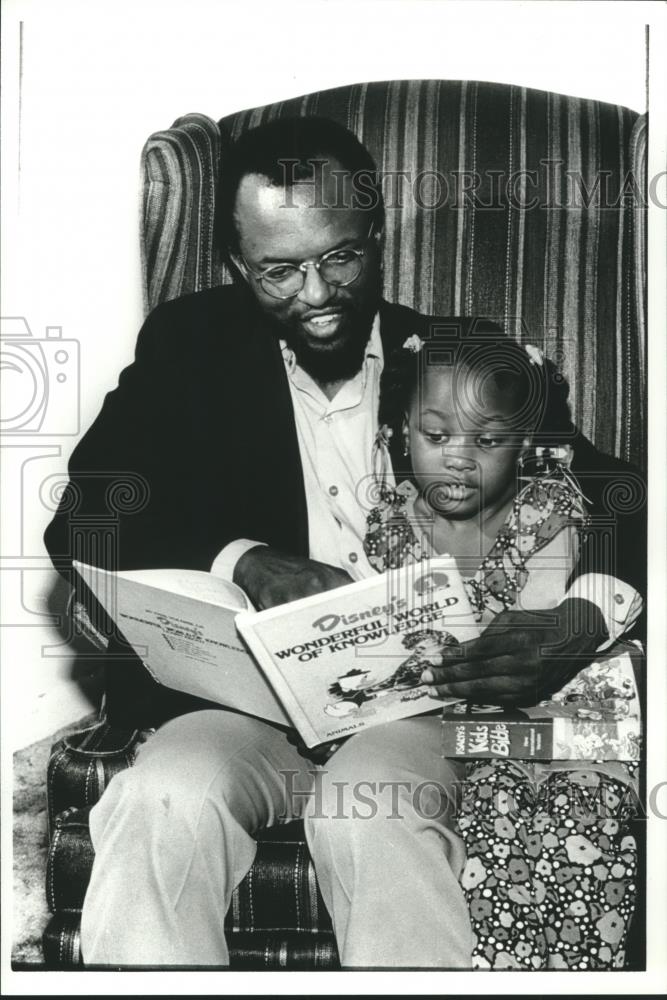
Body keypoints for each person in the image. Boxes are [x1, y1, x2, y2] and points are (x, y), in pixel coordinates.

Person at [44, 116, 643, 968]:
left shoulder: (455, 360)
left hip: (423, 711)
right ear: (235, 265)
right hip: (247, 711)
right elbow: (89, 509)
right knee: (161, 801)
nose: (316, 294)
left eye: (340, 258)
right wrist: (242, 560)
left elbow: (621, 492)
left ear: (375, 237)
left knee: (369, 808)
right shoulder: (193, 346)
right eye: (278, 271)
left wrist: (580, 617)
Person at [363, 326, 642, 969]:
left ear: (523, 444)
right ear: (403, 430)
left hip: (557, 722)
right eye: (436, 437)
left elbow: (528, 639)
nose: (458, 459)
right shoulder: (390, 519)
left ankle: (572, 968)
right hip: (460, 729)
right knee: (487, 817)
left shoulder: (547, 511)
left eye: (486, 441)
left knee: (577, 814)